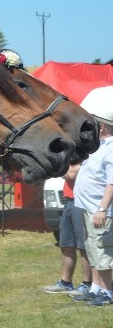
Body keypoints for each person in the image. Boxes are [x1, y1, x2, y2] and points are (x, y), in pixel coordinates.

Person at [71, 86, 113, 307]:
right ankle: (97, 287)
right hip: (88, 207)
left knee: (103, 250)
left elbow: (111, 182)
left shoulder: (111, 149)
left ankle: (108, 292)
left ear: (103, 126)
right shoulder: (100, 147)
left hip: (100, 209)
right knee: (93, 249)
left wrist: (103, 208)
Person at [41, 163, 92, 296]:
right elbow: (69, 172)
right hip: (69, 200)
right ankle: (65, 282)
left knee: (83, 245)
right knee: (66, 243)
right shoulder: (75, 154)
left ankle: (88, 284)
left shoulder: (87, 153)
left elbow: (71, 174)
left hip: (82, 201)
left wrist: (56, 168)